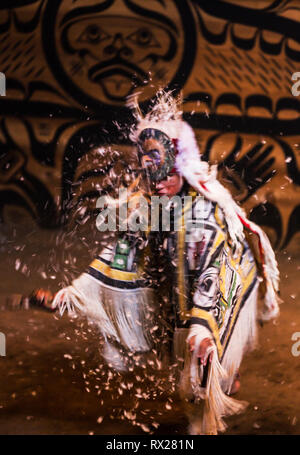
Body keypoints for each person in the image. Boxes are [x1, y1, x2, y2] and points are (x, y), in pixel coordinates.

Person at [36, 91, 280, 434]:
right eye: (152, 178)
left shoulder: (206, 216)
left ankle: (214, 391)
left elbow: (213, 271)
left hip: (223, 282)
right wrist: (74, 292)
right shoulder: (150, 207)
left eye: (166, 176)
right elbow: (123, 253)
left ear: (182, 167)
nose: (159, 184)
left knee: (202, 364)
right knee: (192, 345)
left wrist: (202, 328)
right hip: (182, 286)